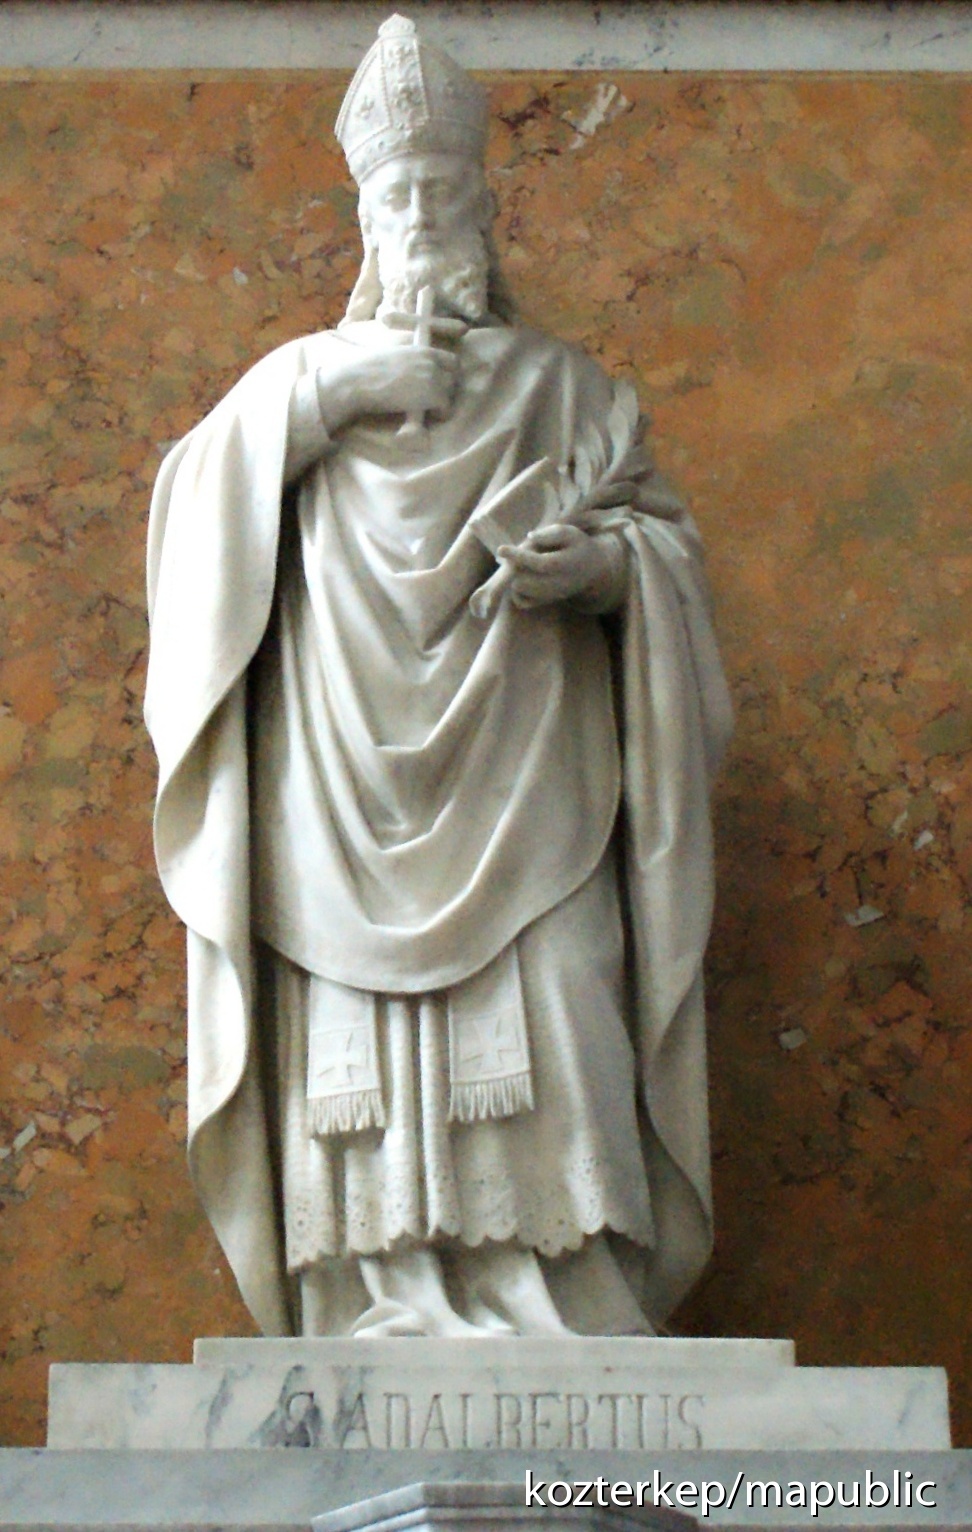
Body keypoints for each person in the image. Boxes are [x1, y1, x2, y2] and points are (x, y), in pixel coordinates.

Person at [144, 14, 732, 1340]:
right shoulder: (294, 388)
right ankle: (375, 1290)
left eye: (442, 193)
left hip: (533, 788)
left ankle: (567, 1293)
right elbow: (189, 527)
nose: (420, 215)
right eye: (397, 196)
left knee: (563, 997)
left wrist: (606, 574)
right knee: (350, 1053)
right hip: (335, 800)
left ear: (484, 214)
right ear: (365, 221)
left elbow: (662, 555)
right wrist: (331, 404)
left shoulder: (566, 393)